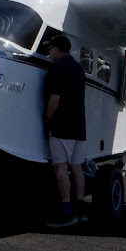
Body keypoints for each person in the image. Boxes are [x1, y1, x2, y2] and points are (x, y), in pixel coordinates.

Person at [43, 35, 87, 227]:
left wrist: (47, 117)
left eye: (50, 48)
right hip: (79, 126)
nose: (49, 52)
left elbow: (55, 97)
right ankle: (81, 209)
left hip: (62, 126)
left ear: (57, 49)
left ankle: (67, 213)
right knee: (76, 167)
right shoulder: (78, 68)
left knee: (60, 167)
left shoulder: (57, 68)